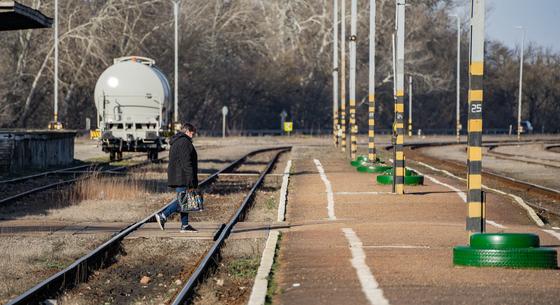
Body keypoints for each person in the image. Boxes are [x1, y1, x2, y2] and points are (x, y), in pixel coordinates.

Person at [156, 123, 199, 232]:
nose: (193, 135)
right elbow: (186, 163)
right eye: (192, 133)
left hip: (179, 175)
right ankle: (163, 215)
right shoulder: (184, 142)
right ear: (188, 131)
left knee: (185, 200)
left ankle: (185, 225)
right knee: (183, 201)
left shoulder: (178, 141)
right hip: (182, 176)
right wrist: (192, 179)